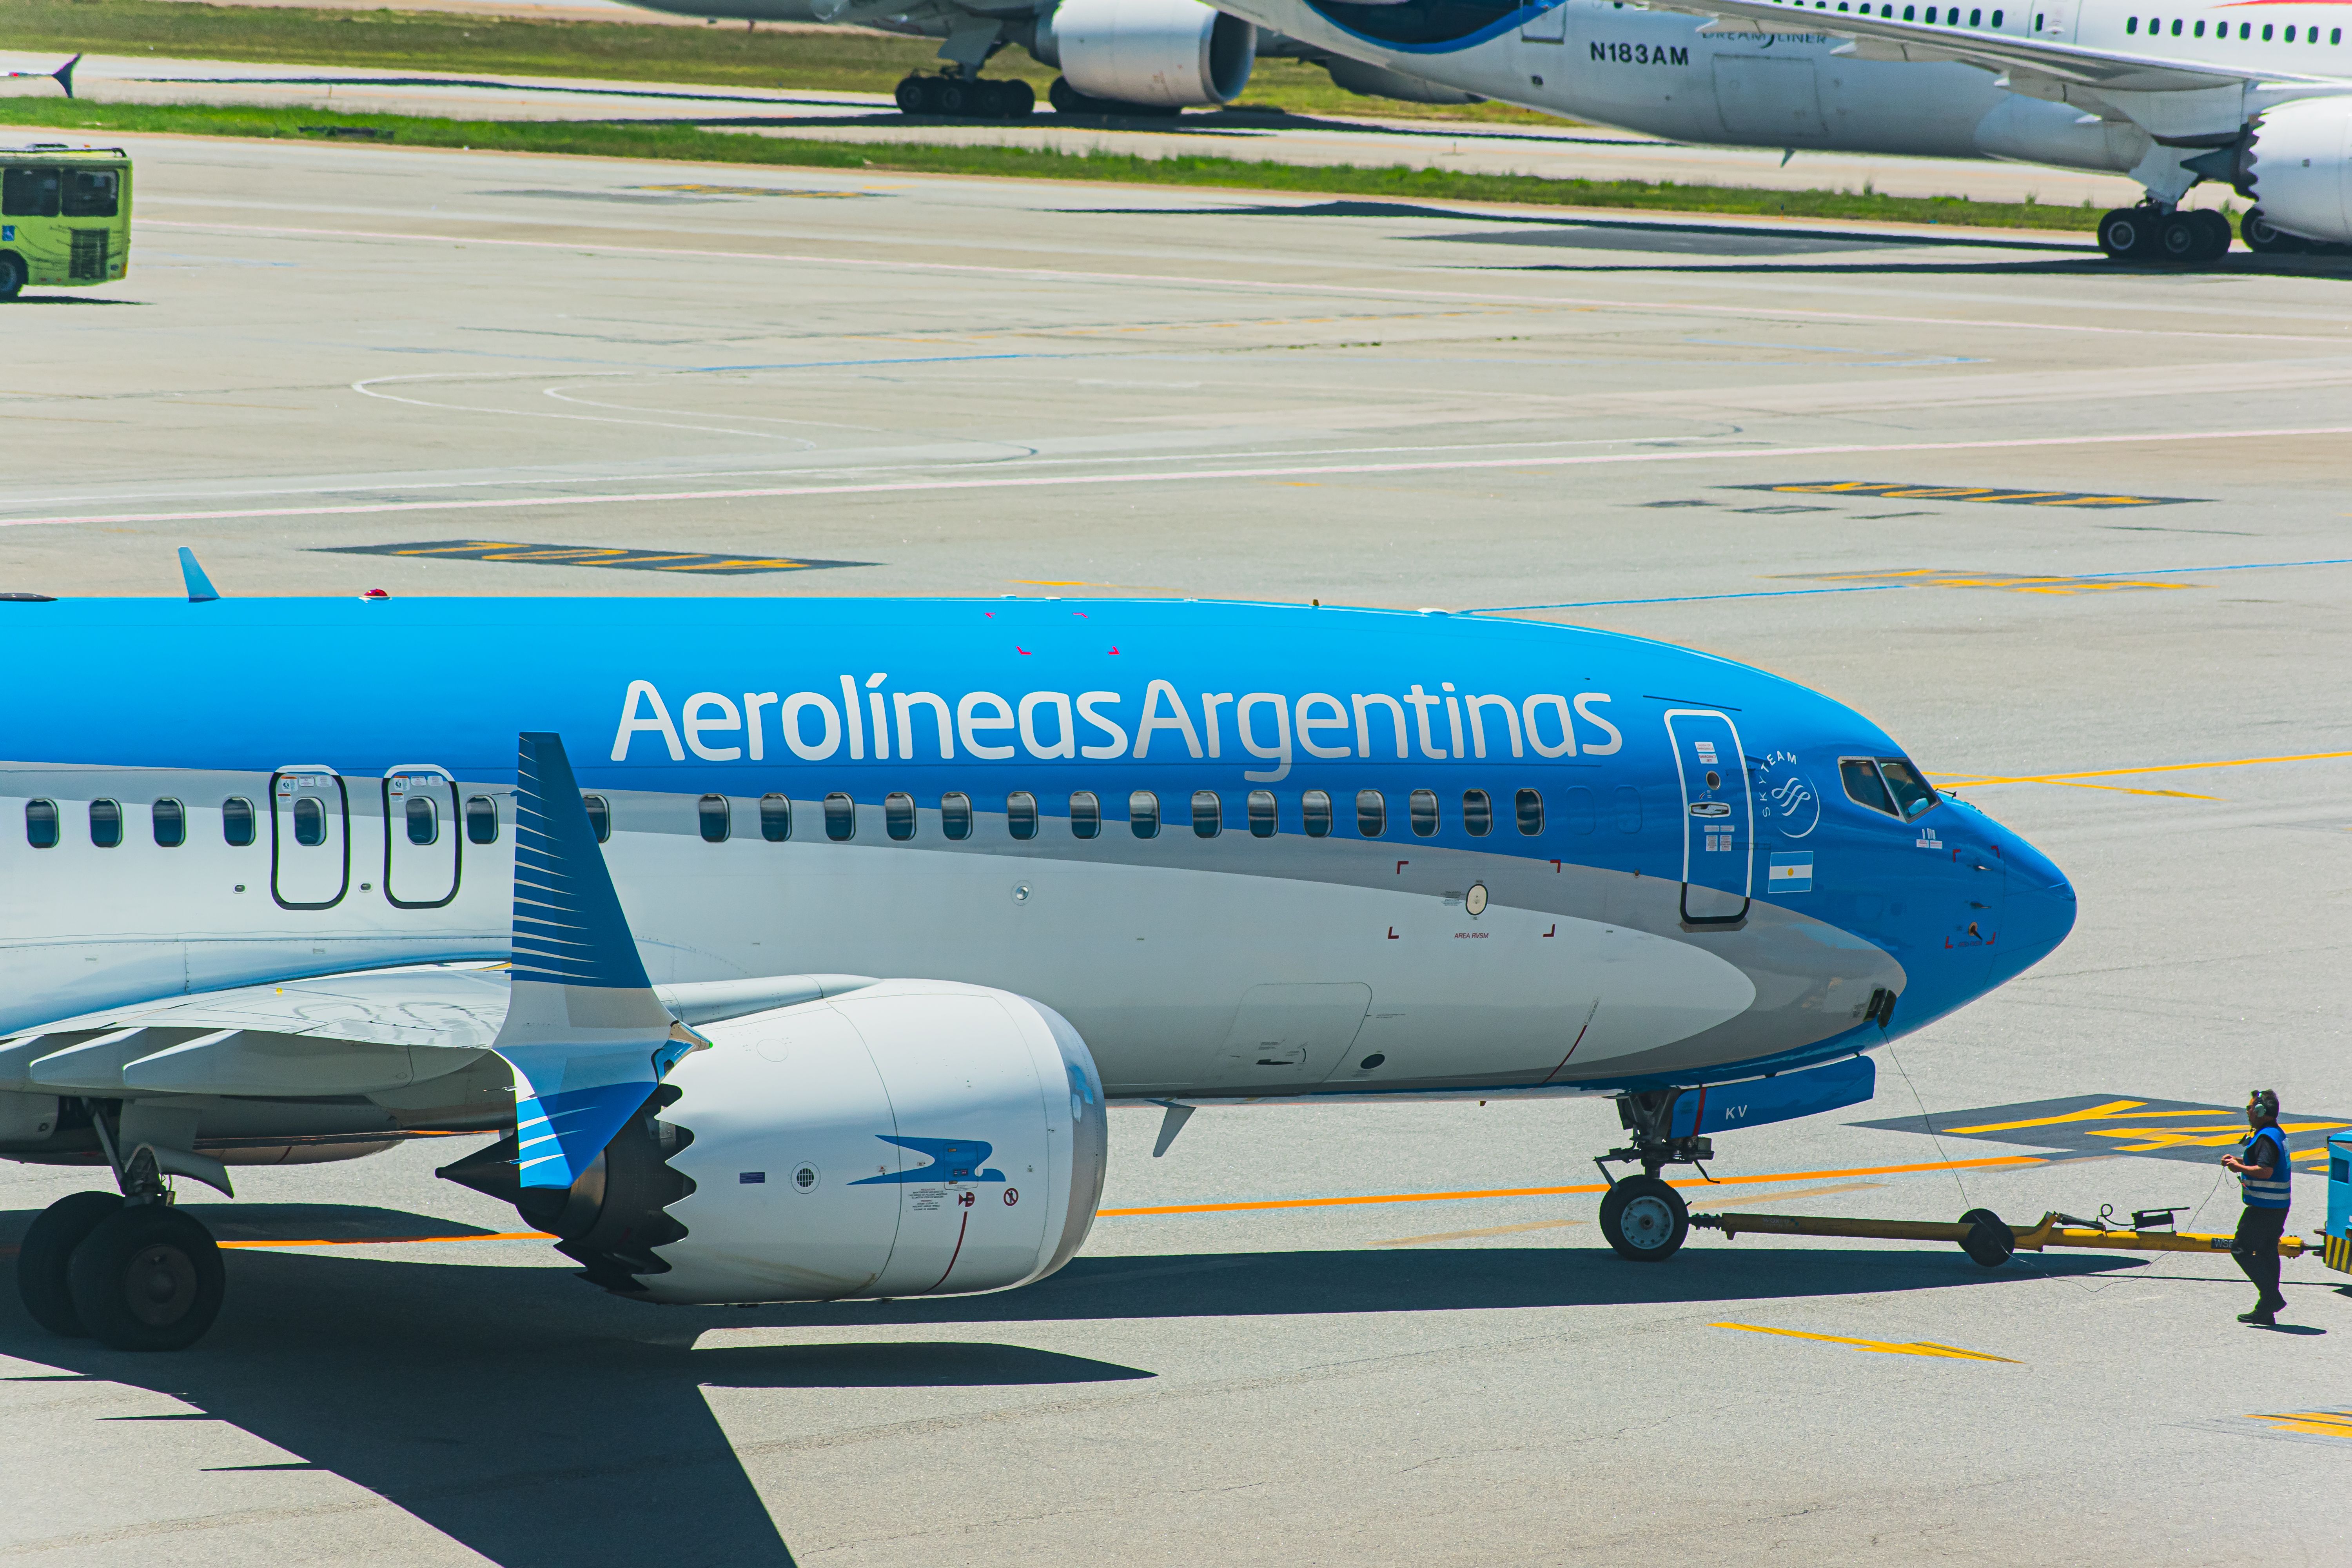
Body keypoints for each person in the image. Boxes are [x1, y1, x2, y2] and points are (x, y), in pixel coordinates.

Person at [2220, 1089, 2292, 1326]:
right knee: (2266, 1252)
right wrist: (2240, 1161)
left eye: (2250, 1109)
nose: (2248, 1112)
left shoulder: (2265, 1138)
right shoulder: (2274, 1133)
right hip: (2278, 1206)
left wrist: (2238, 1168)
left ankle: (2272, 1298)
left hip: (2265, 1207)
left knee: (2241, 1250)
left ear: (2261, 1112)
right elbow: (2264, 1164)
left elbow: (2265, 1171)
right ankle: (2265, 1310)